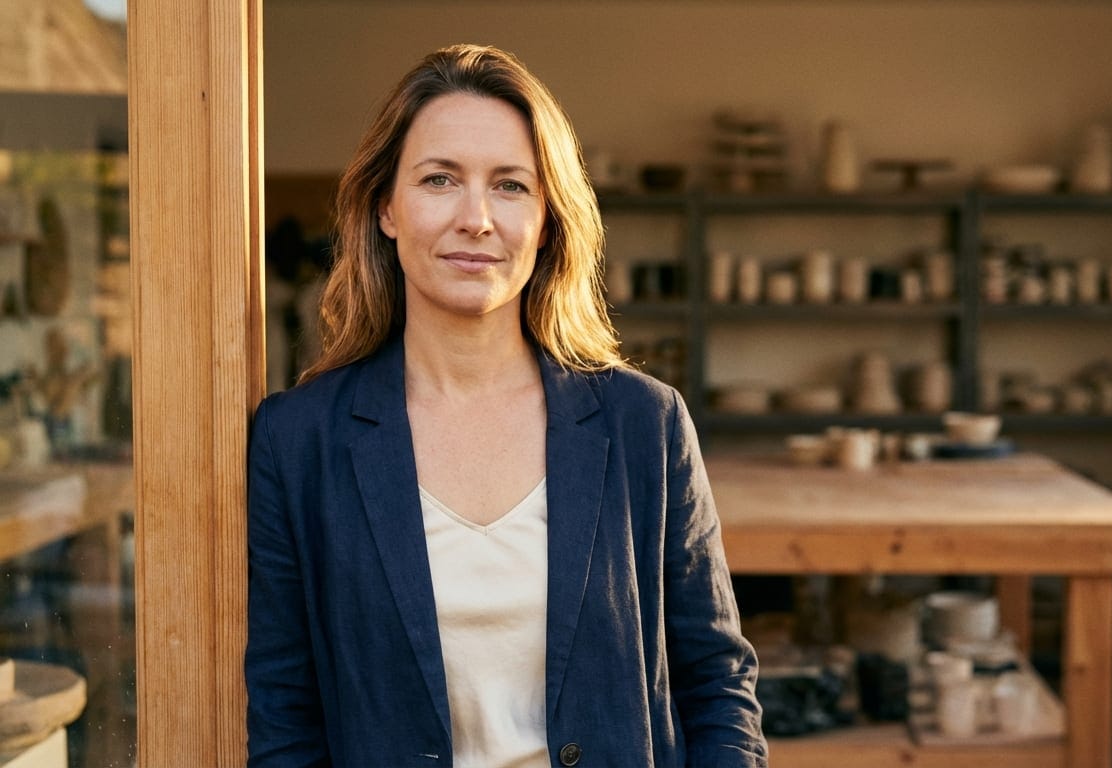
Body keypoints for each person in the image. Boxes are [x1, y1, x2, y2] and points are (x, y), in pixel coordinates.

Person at [244, 44, 767, 768]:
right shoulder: (297, 440)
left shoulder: (644, 425)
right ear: (386, 207)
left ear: (548, 219)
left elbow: (718, 685)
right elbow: (284, 720)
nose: (477, 218)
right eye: (439, 179)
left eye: (511, 186)